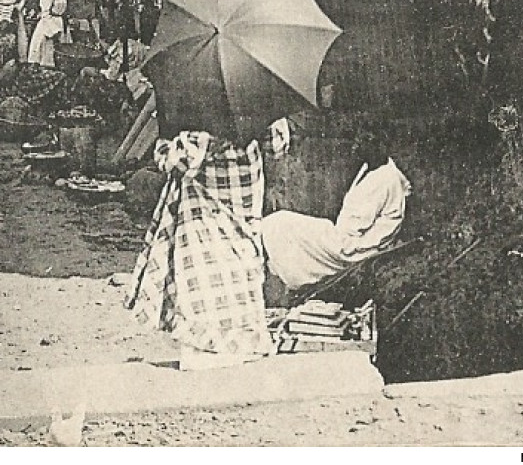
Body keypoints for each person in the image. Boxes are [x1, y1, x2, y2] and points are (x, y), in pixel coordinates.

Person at [124, 119, 291, 369]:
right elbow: (279, 143)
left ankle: (209, 348)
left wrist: (165, 146)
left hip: (206, 214)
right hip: (244, 207)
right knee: (240, 271)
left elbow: (175, 161)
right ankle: (244, 344)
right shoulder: (260, 117)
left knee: (205, 277)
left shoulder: (202, 132)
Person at [259, 134, 410, 291]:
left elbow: (353, 228)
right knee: (281, 223)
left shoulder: (383, 179)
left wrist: (328, 232)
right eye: (357, 142)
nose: (356, 148)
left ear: (379, 146)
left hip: (354, 247)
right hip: (350, 238)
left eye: (364, 143)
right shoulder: (373, 169)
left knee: (280, 224)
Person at [25, 0, 72, 65]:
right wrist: (53, 30)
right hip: (48, 25)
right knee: (46, 51)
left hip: (59, 22)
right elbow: (45, 13)